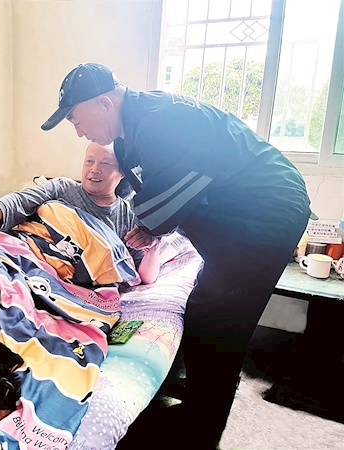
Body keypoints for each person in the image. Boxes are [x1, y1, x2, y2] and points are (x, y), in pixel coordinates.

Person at [41, 62, 311, 449]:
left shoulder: (162, 123)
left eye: (76, 120)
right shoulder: (130, 135)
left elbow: (160, 209)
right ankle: (198, 412)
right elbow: (146, 200)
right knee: (205, 310)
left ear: (103, 103)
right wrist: (151, 225)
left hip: (269, 211)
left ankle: (202, 433)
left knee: (219, 321)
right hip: (237, 217)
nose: (79, 131)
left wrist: (152, 226)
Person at [0, 141, 161, 285]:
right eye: (89, 161)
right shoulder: (63, 188)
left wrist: (153, 249)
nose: (94, 169)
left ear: (123, 173)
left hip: (60, 281)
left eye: (105, 163)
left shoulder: (127, 215)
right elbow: (17, 201)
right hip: (25, 255)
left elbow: (141, 275)